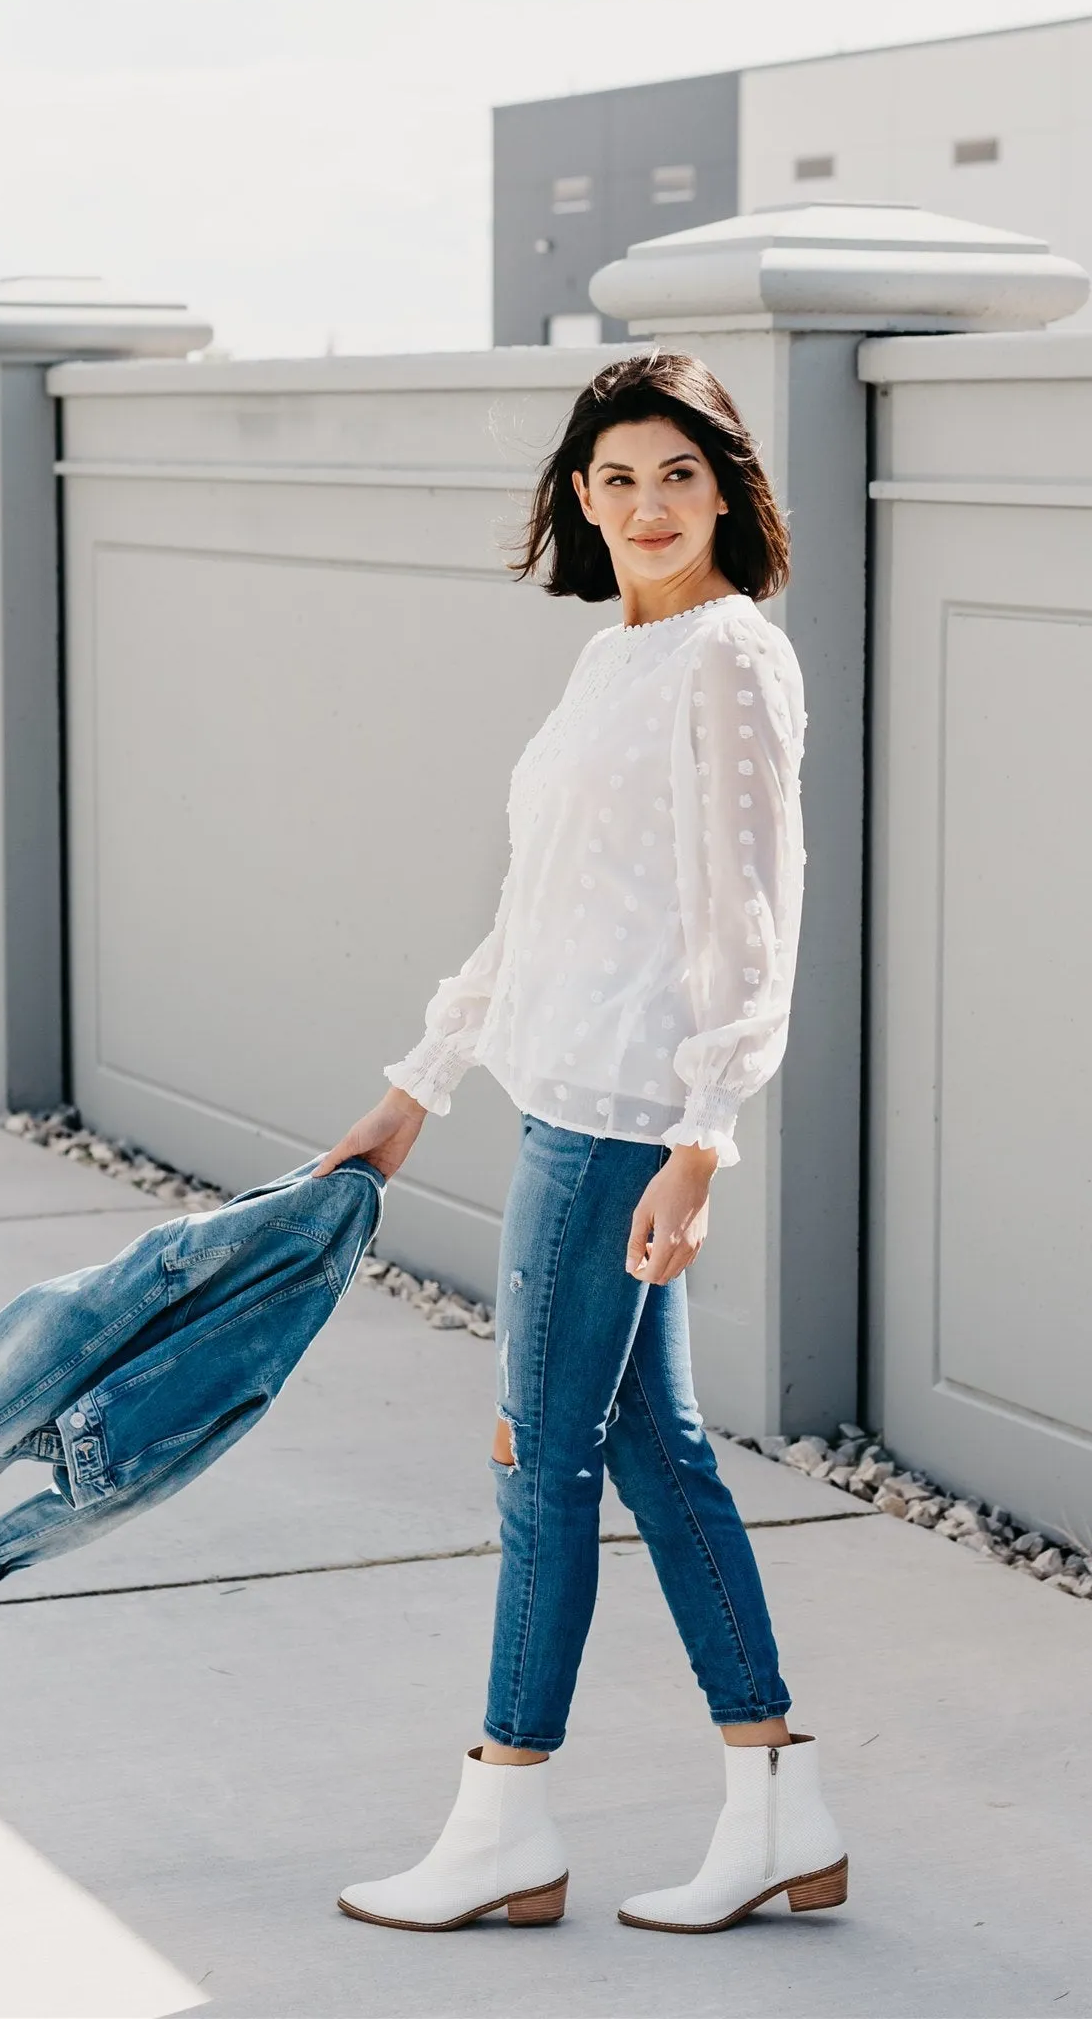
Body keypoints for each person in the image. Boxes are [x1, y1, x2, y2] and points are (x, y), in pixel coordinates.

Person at [314, 352, 846, 1935]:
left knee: (541, 1467)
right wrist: (416, 1085)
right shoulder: (616, 659)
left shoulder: (730, 660)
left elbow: (755, 916)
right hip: (566, 1093)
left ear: (727, 491)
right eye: (613, 478)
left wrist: (705, 1138)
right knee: (654, 1459)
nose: (644, 505)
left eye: (676, 475)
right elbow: (538, 912)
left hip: (624, 1119)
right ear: (574, 498)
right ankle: (778, 1806)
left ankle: (505, 1826)